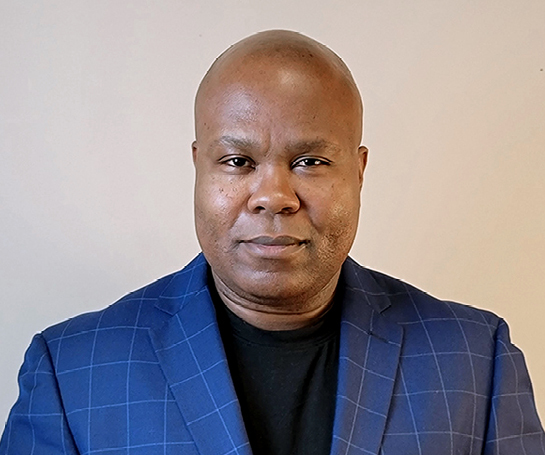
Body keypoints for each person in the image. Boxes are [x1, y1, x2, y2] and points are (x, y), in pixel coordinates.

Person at [1, 30, 543, 455]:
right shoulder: (70, 374)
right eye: (238, 162)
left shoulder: (477, 360)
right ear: (198, 167)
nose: (274, 196)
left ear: (358, 171)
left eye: (310, 162)